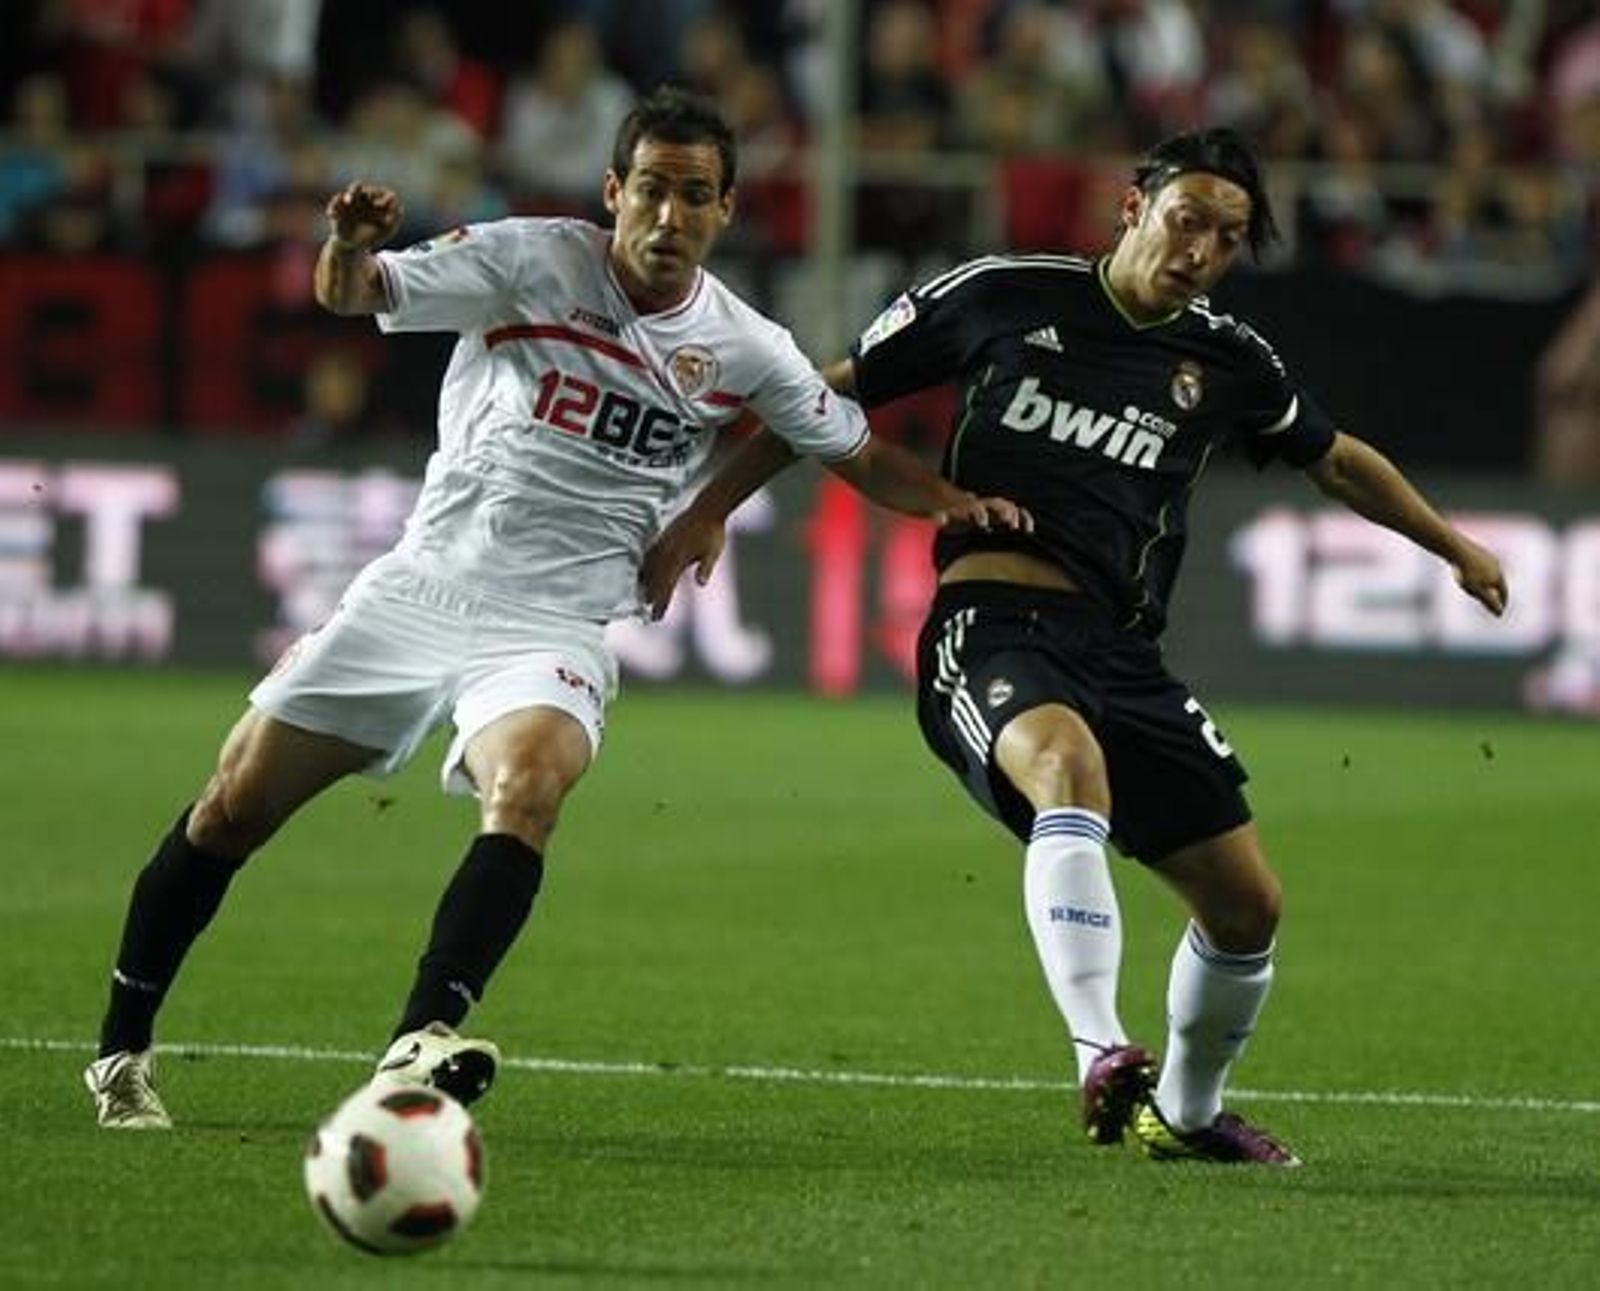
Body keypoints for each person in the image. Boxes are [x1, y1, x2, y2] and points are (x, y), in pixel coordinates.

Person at [83, 86, 1028, 1130]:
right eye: (652, 190)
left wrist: (949, 502)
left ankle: (419, 1037)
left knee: (530, 785)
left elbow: (852, 449)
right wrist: (347, 244)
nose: (670, 216)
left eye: (696, 196)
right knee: (232, 806)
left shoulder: (745, 344)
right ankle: (121, 1049)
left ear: (725, 210)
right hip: (420, 588)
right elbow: (354, 295)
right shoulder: (527, 258)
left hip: (554, 625)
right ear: (613, 191)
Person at [640, 127, 1509, 1166]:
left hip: (1123, 655)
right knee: (1065, 765)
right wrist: (709, 508)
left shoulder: (1229, 361)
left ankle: (1185, 1114)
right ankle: (1101, 1048)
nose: (1200, 249)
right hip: (992, 625)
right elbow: (818, 399)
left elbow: (1335, 461)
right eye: (1186, 219)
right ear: (1133, 207)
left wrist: (1453, 545)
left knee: (1246, 906)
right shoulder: (1003, 293)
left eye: (1227, 237)